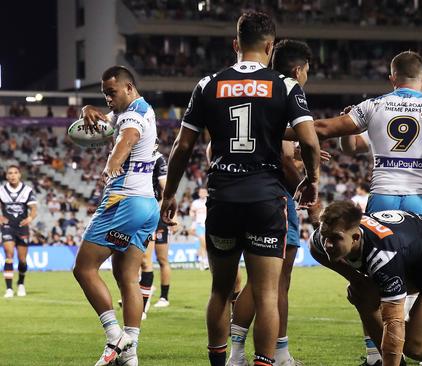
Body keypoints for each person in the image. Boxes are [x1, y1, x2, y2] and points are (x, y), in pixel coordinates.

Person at [291, 51, 422, 366]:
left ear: (392, 79)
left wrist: (279, 133)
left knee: (370, 279)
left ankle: (378, 355)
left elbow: (331, 132)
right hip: (421, 198)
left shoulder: (375, 105)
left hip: (382, 200)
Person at [159, 11, 320, 366]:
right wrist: (312, 181)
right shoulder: (286, 85)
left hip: (223, 200)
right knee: (266, 295)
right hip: (265, 200)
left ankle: (221, 362)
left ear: (236, 44)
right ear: (270, 45)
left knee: (220, 289)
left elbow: (183, 147)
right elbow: (308, 141)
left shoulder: (207, 85)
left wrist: (169, 194)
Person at [227, 38, 313, 366]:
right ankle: (280, 354)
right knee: (278, 283)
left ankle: (236, 353)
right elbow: (284, 158)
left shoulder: (256, 90)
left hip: (243, 190)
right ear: (297, 69)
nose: (307, 77)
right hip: (276, 197)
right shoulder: (286, 92)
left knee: (258, 281)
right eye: (307, 71)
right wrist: (306, 187)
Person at [311, 201, 422, 366]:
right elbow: (314, 247)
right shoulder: (325, 236)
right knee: (362, 293)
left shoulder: (382, 254)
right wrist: (356, 279)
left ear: (355, 237)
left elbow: (394, 324)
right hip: (414, 257)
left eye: (335, 239)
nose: (328, 244)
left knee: (413, 345)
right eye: (325, 236)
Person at [73, 65, 160, 366]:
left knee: (84, 268)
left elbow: (127, 138)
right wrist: (88, 107)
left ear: (128, 88)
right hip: (147, 205)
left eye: (111, 92)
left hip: (123, 202)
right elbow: (108, 123)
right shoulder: (137, 108)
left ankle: (115, 336)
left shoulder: (133, 116)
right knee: (127, 278)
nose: (108, 98)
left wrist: (112, 164)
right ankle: (130, 354)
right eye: (104, 94)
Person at [139, 149, 172, 318]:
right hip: (136, 211)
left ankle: (163, 297)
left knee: (159, 259)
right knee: (137, 259)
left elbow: (167, 189)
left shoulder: (158, 158)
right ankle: (139, 293)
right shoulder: (132, 154)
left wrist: (169, 212)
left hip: (153, 215)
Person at [1, 165, 37, 298]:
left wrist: (30, 218)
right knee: (9, 255)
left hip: (22, 227)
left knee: (22, 260)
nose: (12, 175)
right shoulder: (1, 190)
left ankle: (21, 283)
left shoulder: (27, 190)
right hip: (7, 227)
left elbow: (33, 208)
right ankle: (9, 289)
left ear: (20, 175)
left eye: (15, 173)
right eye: (10, 173)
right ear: (6, 176)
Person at [190, 187, 209, 270]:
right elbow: (191, 211)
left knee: (204, 245)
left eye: (204, 192)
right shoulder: (195, 203)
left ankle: (200, 259)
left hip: (208, 225)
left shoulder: (209, 201)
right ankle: (205, 262)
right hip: (199, 225)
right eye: (201, 192)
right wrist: (192, 215)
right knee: (203, 242)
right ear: (199, 194)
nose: (202, 193)